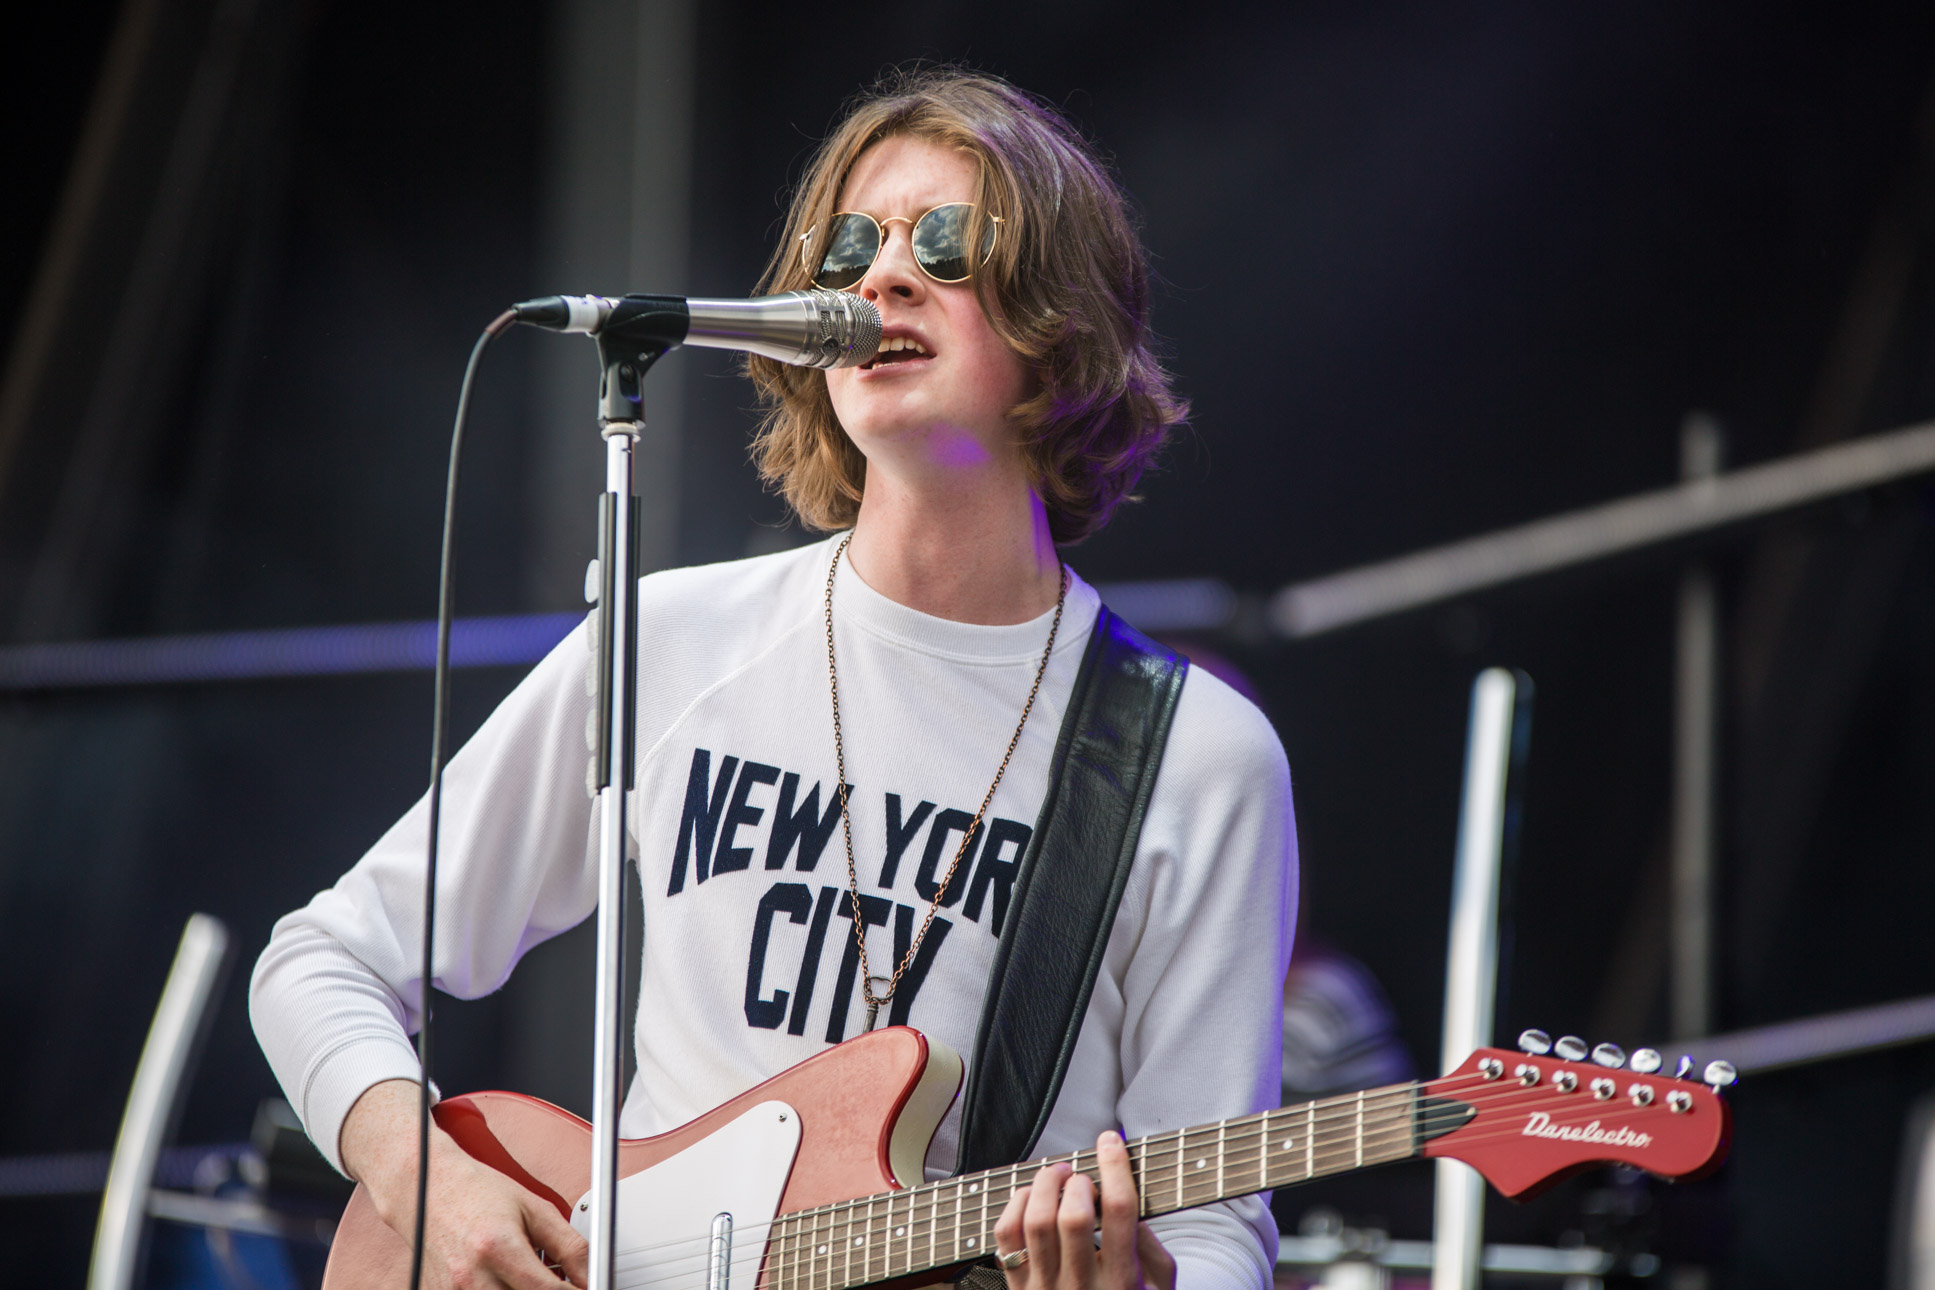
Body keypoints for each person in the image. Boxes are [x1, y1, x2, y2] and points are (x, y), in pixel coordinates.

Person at [251, 68, 1296, 1290]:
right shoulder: (675, 637)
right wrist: (425, 1180)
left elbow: (1219, 1226)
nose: (882, 277)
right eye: (851, 244)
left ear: (1059, 322)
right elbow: (323, 959)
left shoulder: (1196, 759)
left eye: (948, 244)